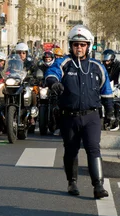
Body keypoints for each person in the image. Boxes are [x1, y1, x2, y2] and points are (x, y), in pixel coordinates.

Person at [45, 25, 115, 199]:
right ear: (71, 46)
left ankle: (98, 185)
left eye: (82, 45)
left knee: (93, 149)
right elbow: (51, 73)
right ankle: (72, 182)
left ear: (88, 46)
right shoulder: (64, 63)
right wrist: (54, 83)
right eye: (76, 44)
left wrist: (111, 112)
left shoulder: (97, 66)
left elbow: (106, 90)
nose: (79, 48)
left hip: (91, 116)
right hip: (69, 116)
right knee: (71, 150)